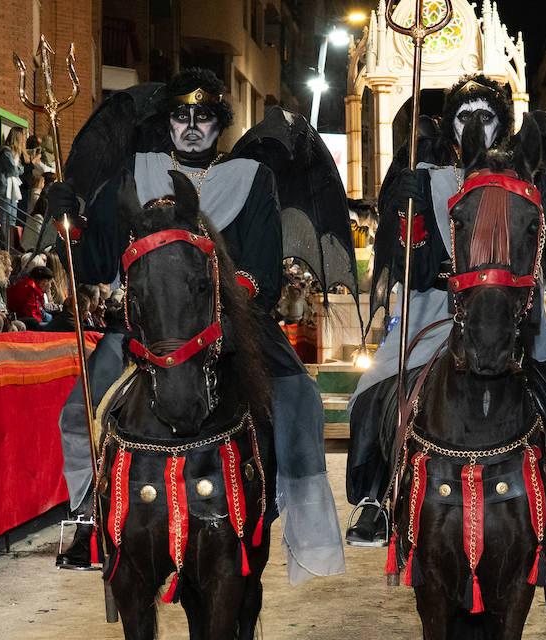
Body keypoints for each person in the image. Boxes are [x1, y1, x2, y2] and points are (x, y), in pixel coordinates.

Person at [46, 67, 345, 581]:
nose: (190, 126)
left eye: (203, 116)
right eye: (181, 116)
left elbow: (263, 272)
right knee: (81, 410)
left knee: (300, 397)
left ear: (219, 124)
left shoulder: (251, 178)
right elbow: (98, 264)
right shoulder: (135, 173)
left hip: (228, 322)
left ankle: (296, 508)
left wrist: (215, 314)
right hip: (144, 325)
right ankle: (90, 518)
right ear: (168, 123)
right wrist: (69, 221)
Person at [343, 74, 546, 549]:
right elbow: (410, 268)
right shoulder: (428, 179)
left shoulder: (524, 179)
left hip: (510, 308)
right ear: (451, 127)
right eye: (464, 116)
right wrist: (411, 214)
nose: (475, 124)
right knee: (371, 393)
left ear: (501, 123)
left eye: (486, 115)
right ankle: (375, 499)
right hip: (437, 307)